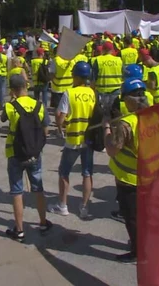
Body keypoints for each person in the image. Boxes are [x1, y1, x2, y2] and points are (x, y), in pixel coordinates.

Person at [0, 75, 53, 241]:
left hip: (15, 153)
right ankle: (43, 222)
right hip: (35, 153)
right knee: (38, 189)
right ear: (26, 86)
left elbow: (2, 118)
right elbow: (46, 128)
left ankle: (20, 230)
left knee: (17, 191)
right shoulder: (39, 105)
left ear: (12, 90)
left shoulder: (10, 106)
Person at [103, 78, 150, 263]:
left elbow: (112, 149)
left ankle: (137, 251)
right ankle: (144, 243)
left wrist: (107, 128)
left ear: (130, 99)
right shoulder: (153, 115)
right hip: (148, 175)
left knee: (132, 217)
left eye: (124, 100)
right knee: (144, 216)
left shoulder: (126, 124)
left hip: (129, 179)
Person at [49, 62, 97, 219]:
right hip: (88, 139)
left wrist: (58, 125)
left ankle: (62, 205)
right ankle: (84, 207)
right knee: (87, 173)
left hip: (72, 139)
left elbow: (61, 118)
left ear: (76, 76)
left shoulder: (69, 93)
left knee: (64, 172)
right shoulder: (92, 93)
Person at [92, 41, 124, 113]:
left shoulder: (98, 60)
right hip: (116, 91)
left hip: (102, 91)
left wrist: (93, 90)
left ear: (103, 49)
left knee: (104, 113)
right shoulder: (119, 60)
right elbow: (123, 75)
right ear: (112, 50)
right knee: (115, 112)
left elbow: (93, 78)